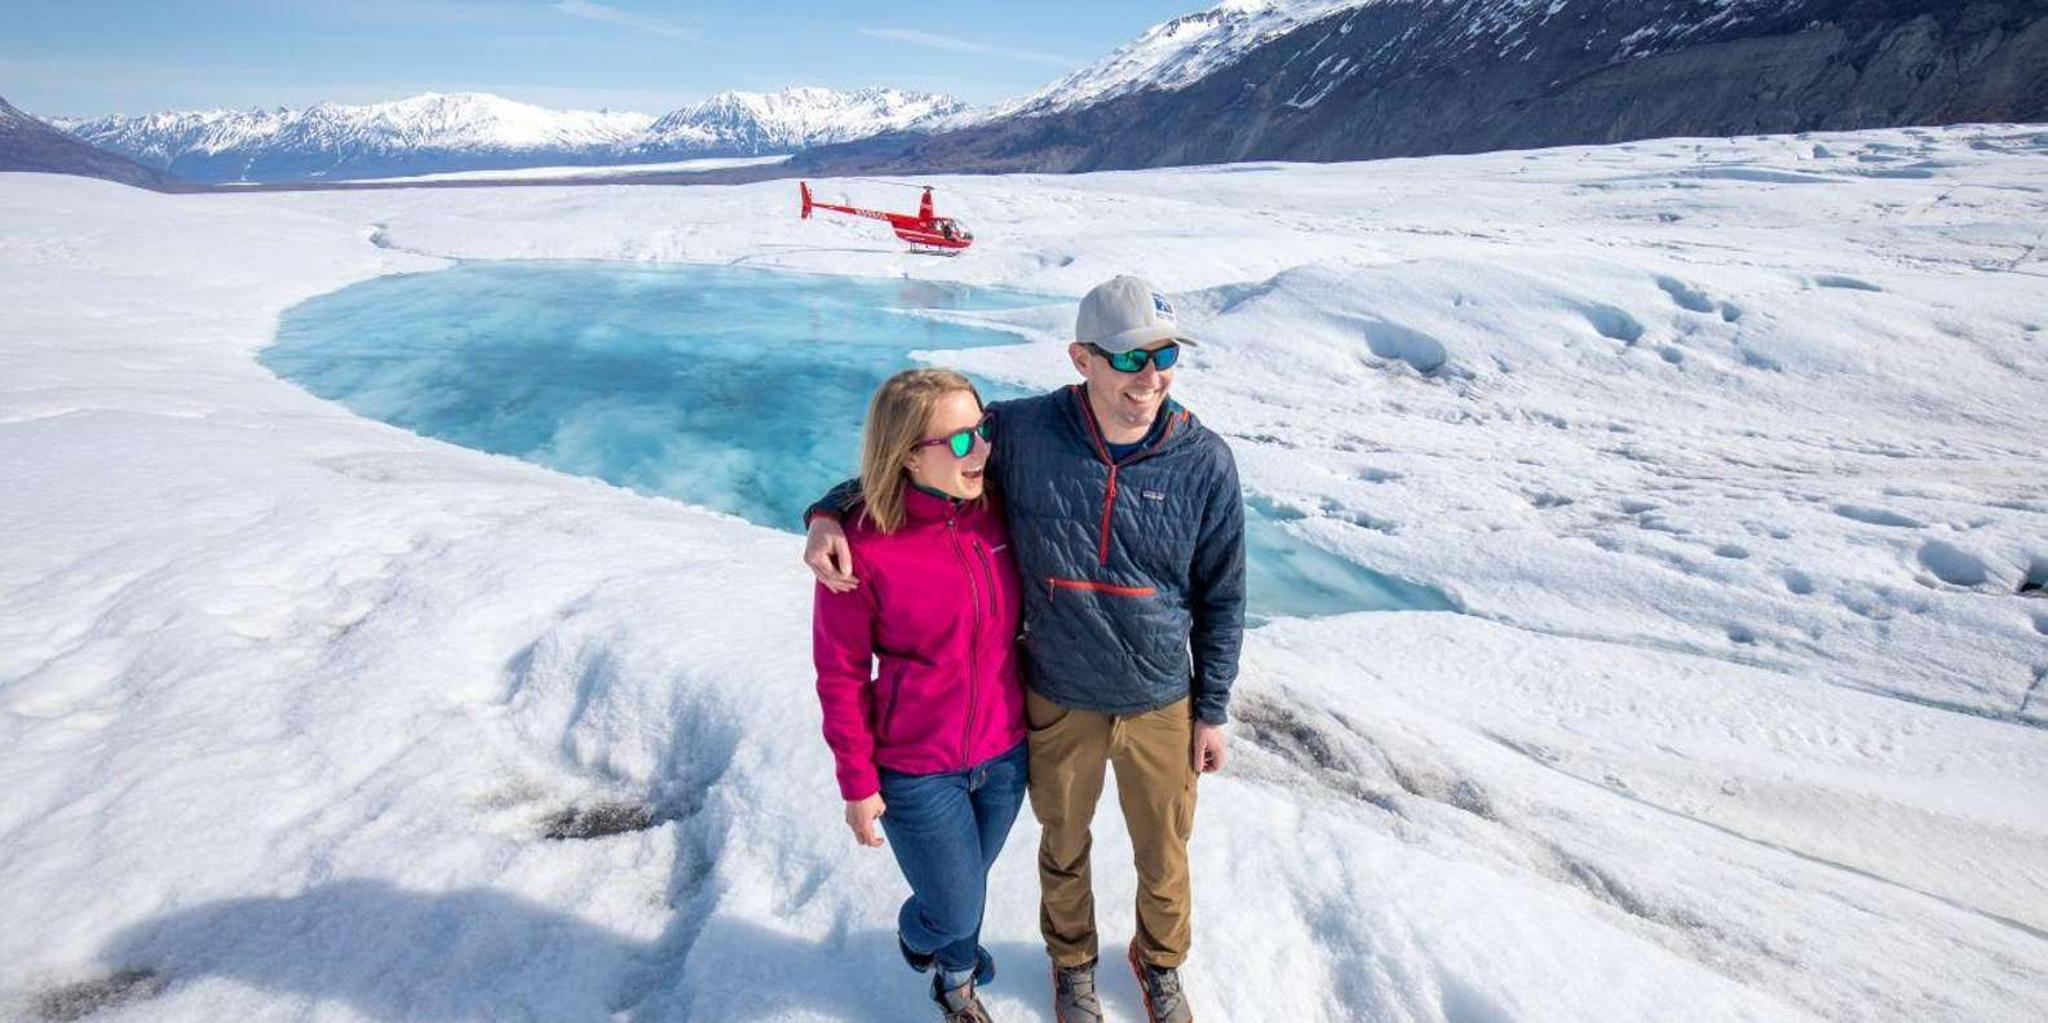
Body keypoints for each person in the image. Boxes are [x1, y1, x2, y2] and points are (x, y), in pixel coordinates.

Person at [806, 276, 1246, 1023]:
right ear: (1082, 358)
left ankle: (1160, 961)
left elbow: (1223, 594)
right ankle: (1072, 965)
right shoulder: (1023, 432)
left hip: (1159, 700)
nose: (1151, 376)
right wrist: (826, 514)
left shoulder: (1205, 461)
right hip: (1057, 697)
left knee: (1165, 853)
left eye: (1166, 355)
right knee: (1063, 848)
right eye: (1130, 358)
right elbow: (912, 454)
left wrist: (1212, 707)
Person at [812, 368, 1030, 1023]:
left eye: (983, 430)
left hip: (1006, 753)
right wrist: (857, 782)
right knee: (954, 906)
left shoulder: (1000, 505)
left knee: (968, 888)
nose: (981, 449)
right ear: (908, 454)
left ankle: (951, 973)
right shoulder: (860, 547)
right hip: (916, 768)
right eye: (959, 441)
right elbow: (841, 674)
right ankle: (927, 945)